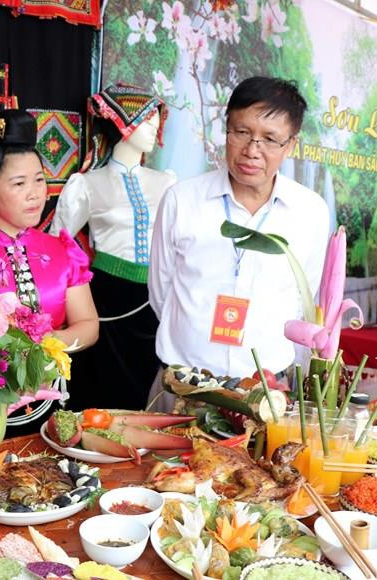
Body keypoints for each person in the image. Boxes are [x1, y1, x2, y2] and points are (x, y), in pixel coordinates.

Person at [148, 76, 329, 408]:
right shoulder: (182, 200)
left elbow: (305, 298)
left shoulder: (310, 212)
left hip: (266, 394)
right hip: (182, 386)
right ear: (226, 129)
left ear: (290, 145)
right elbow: (162, 291)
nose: (252, 151)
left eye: (269, 139)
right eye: (241, 132)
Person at [0, 109, 98, 431]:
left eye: (39, 179)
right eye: (19, 183)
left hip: (54, 405)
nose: (36, 193)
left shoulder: (63, 250)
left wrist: (50, 344)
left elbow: (88, 325)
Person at [50, 85, 175, 410]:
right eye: (146, 120)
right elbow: (55, 246)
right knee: (100, 382)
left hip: (156, 296)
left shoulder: (168, 184)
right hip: (105, 297)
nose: (154, 129)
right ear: (123, 124)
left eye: (155, 121)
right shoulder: (87, 184)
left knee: (148, 381)